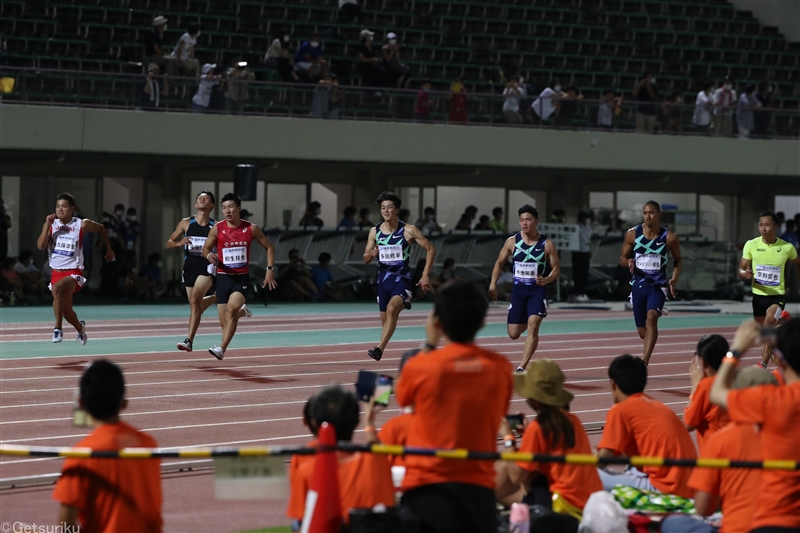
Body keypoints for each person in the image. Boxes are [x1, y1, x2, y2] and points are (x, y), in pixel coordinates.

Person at [396, 281, 513, 533]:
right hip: (478, 489)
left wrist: (429, 344)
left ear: (437, 322)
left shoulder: (421, 366)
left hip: (426, 486)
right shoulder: (500, 367)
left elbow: (403, 399)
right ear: (482, 322)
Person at [709, 319, 800, 533]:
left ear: (780, 361)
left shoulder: (772, 401)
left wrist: (736, 349)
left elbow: (717, 392)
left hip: (776, 520)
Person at [662, 366, 776, 533]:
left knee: (672, 522)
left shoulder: (721, 440)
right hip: (786, 525)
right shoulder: (790, 437)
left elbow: (703, 508)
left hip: (737, 527)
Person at [52, 360, 162, 531]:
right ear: (124, 403)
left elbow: (65, 527)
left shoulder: (81, 455)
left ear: (81, 403)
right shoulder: (148, 444)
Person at [495, 360, 602, 519]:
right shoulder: (572, 420)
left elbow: (516, 476)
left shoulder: (539, 427)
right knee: (513, 469)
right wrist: (526, 435)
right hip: (589, 498)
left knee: (495, 484)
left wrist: (508, 437)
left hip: (564, 504)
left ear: (534, 398)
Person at [287, 385, 395, 527]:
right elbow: (376, 449)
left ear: (314, 423)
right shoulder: (376, 460)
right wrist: (369, 422)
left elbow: (302, 523)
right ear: (356, 422)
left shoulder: (305, 468)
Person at [597, 355, 697, 497]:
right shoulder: (658, 406)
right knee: (629, 467)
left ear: (613, 384)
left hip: (664, 487)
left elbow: (604, 459)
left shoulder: (620, 410)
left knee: (587, 473)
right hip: (688, 485)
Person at [202, 193, 277, 360]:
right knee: (225, 324)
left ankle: (221, 349)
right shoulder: (218, 228)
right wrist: (208, 256)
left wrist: (269, 269)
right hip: (222, 279)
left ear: (238, 208)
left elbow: (269, 247)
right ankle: (242, 312)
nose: (227, 211)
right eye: (224, 208)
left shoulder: (251, 228)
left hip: (240, 279)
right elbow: (206, 249)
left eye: (230, 207)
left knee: (231, 310)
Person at [363, 191, 436, 361]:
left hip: (401, 279)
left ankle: (379, 349)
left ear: (397, 210)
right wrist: (372, 254)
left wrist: (425, 275)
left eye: (389, 207)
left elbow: (431, 249)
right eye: (383, 208)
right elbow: (365, 258)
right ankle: (404, 304)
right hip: (383, 280)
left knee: (391, 309)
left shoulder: (409, 230)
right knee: (387, 321)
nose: (386, 211)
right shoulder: (375, 232)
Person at [488, 205, 561, 372]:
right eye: (521, 220)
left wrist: (547, 279)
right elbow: (499, 263)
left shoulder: (546, 244)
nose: (524, 223)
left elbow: (556, 268)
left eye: (528, 220)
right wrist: (493, 285)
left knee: (533, 325)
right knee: (513, 334)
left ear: (536, 221)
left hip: (537, 291)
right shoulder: (512, 242)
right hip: (518, 292)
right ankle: (526, 321)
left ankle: (522, 366)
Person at [37, 193, 114, 344]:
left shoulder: (81, 224)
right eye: (58, 206)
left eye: (64, 206)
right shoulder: (51, 225)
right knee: (66, 311)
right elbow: (40, 246)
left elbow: (102, 228)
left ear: (72, 208)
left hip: (74, 272)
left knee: (58, 289)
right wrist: (46, 226)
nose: (60, 210)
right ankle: (80, 329)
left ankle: (57, 329)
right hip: (56, 273)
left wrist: (109, 250)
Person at [619, 201, 682, 365]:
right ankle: (651, 324)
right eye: (645, 213)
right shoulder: (633, 234)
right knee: (642, 332)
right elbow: (622, 258)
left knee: (652, 317)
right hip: (639, 285)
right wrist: (629, 262)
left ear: (659, 215)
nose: (648, 216)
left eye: (652, 213)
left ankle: (645, 361)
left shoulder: (669, 238)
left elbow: (678, 260)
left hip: (657, 285)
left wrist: (674, 279)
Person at [739, 210, 800, 368]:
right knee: (764, 334)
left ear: (775, 227)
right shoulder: (751, 244)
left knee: (768, 323)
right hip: (758, 297)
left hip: (777, 296)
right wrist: (744, 273)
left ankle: (763, 363)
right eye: (761, 225)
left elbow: (798, 264)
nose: (763, 229)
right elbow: (742, 268)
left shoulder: (786, 247)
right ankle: (776, 341)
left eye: (767, 225)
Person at [166, 191, 217, 352]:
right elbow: (169, 243)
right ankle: (219, 296)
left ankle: (189, 340)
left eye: (206, 198)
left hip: (206, 266)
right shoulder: (186, 223)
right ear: (196, 205)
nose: (202, 199)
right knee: (195, 306)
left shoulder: (216, 226)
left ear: (212, 206)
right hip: (189, 267)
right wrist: (179, 243)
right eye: (199, 198)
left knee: (195, 300)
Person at [684, 334, 730, 452]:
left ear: (703, 362)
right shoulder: (737, 380)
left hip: (714, 454)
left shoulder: (706, 386)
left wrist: (695, 386)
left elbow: (689, 423)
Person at [570, 211, 592, 303]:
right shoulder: (577, 228)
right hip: (577, 252)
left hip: (585, 252)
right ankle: (576, 293)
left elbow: (588, 239)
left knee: (584, 274)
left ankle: (582, 293)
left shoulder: (587, 228)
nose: (585, 220)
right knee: (577, 273)